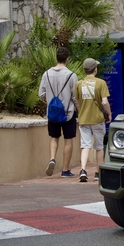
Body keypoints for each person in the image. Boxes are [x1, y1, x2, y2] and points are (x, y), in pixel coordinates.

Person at [38, 47, 78, 178]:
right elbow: (75, 96)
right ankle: (65, 170)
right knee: (68, 140)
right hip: (68, 113)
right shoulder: (71, 75)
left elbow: (41, 94)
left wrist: (51, 99)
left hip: (53, 113)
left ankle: (52, 158)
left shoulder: (46, 74)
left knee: (54, 137)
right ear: (67, 59)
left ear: (56, 58)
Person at [74, 58, 111, 182]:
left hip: (84, 119)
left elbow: (77, 102)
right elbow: (104, 101)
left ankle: (83, 170)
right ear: (95, 69)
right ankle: (98, 173)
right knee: (99, 146)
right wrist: (109, 114)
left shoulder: (79, 84)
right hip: (97, 119)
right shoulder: (101, 83)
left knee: (85, 145)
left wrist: (81, 112)